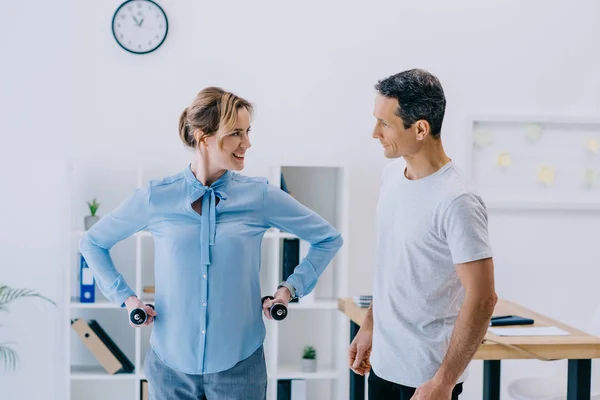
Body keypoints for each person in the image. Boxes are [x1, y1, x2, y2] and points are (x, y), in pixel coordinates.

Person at [80, 87, 343, 400]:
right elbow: (93, 243)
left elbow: (328, 238)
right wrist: (127, 299)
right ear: (202, 137)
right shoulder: (157, 197)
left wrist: (288, 291)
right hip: (169, 368)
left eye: (247, 132)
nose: (247, 143)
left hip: (240, 367)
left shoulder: (260, 196)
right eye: (235, 133)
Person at [348, 69, 497, 400]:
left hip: (425, 381)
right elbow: (392, 268)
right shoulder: (391, 177)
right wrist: (370, 324)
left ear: (420, 129)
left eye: (384, 123)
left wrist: (443, 382)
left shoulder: (457, 201)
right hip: (382, 368)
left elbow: (483, 298)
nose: (375, 132)